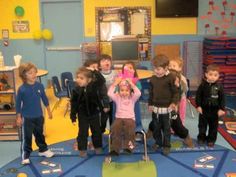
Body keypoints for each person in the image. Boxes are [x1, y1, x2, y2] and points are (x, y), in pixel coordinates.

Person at [16, 62, 54, 165]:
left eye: (35, 72)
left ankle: (43, 150)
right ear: (24, 75)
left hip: (38, 116)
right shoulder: (22, 89)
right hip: (27, 118)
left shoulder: (40, 86)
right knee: (27, 137)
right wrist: (19, 117)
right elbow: (18, 104)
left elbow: (45, 99)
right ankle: (26, 155)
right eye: (30, 73)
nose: (34, 75)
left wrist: (49, 111)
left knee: (39, 134)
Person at [147, 69, 194, 149]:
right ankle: (151, 132)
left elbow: (178, 95)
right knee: (155, 124)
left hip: (171, 113)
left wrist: (175, 104)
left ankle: (186, 137)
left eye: (175, 82)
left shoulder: (177, 90)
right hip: (159, 111)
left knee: (178, 127)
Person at [70, 66, 105, 157]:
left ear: (89, 80)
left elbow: (102, 80)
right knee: (82, 133)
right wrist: (73, 116)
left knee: (96, 131)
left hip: (94, 113)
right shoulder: (76, 90)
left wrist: (95, 71)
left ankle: (98, 147)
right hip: (83, 115)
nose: (78, 80)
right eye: (77, 77)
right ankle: (82, 149)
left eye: (81, 78)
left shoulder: (93, 86)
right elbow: (73, 104)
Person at [148, 54, 179, 155]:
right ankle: (158, 142)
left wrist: (174, 102)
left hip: (167, 108)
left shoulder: (171, 78)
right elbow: (151, 93)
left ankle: (166, 145)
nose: (156, 71)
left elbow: (176, 92)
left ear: (166, 68)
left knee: (166, 129)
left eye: (159, 69)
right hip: (156, 108)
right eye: (155, 69)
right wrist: (150, 104)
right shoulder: (153, 79)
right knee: (156, 128)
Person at [108, 77, 141, 155]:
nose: (124, 92)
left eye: (127, 90)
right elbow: (109, 93)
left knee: (130, 130)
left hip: (130, 119)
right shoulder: (117, 97)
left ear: (130, 91)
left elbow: (138, 93)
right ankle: (115, 149)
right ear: (118, 91)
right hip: (119, 118)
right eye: (122, 90)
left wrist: (132, 84)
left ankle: (129, 148)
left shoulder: (132, 98)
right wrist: (115, 83)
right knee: (115, 128)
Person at [195, 64, 225, 147]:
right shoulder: (202, 85)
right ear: (206, 74)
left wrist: (221, 109)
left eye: (215, 75)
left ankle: (211, 140)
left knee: (213, 127)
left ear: (218, 76)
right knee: (202, 126)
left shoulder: (219, 87)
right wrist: (198, 106)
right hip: (204, 110)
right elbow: (198, 96)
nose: (212, 77)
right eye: (210, 74)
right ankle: (201, 138)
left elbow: (222, 98)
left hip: (215, 111)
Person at [98, 54, 117, 133]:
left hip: (113, 101)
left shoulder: (115, 73)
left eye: (108, 60)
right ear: (99, 65)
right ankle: (101, 131)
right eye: (103, 60)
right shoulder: (98, 75)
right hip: (103, 102)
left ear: (111, 63)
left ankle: (112, 134)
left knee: (113, 118)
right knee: (103, 119)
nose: (106, 62)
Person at [169, 57, 188, 125]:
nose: (171, 67)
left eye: (174, 66)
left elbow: (185, 89)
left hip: (181, 99)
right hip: (172, 99)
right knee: (172, 114)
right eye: (170, 65)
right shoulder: (168, 77)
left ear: (179, 68)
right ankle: (172, 127)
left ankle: (180, 126)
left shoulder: (182, 78)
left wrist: (179, 85)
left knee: (181, 113)